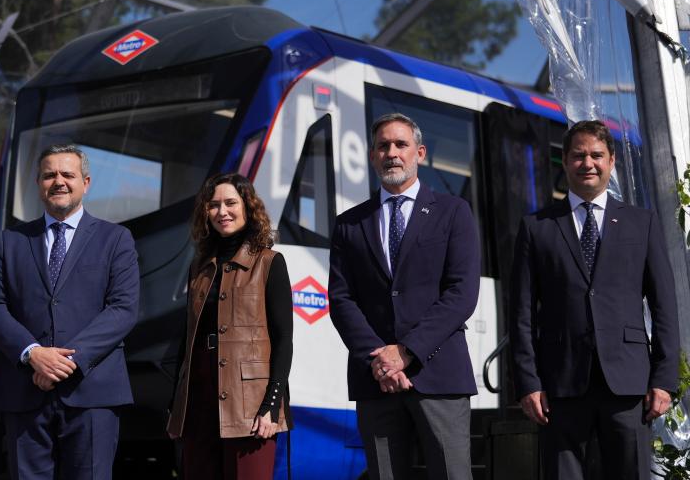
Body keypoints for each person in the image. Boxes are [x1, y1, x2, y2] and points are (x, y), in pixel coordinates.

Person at [509, 120, 680, 479]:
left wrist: (664, 378)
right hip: (560, 386)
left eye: (596, 155)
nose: (587, 162)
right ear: (565, 162)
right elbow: (521, 313)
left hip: (628, 385)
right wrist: (528, 382)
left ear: (611, 161)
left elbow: (664, 304)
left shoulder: (642, 223)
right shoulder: (536, 227)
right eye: (578, 155)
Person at [328, 113, 480, 480]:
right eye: (383, 146)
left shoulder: (453, 211)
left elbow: (461, 293)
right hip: (376, 379)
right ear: (372, 156)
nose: (391, 153)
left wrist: (406, 350)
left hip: (438, 375)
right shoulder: (350, 223)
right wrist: (378, 359)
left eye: (400, 145)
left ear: (420, 153)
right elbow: (341, 298)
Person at [0, 144, 139, 480]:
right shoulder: (9, 241)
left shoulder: (116, 239)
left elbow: (123, 309)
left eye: (67, 174)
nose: (59, 181)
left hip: (93, 392)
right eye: (49, 174)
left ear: (86, 182)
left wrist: (65, 362)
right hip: (24, 391)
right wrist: (32, 354)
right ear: (38, 183)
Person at [166, 172, 293, 479]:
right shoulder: (199, 268)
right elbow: (187, 339)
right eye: (213, 205)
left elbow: (283, 340)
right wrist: (175, 404)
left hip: (249, 405)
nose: (222, 211)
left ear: (248, 207)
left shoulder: (269, 263)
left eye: (230, 203)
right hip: (198, 400)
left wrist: (271, 405)